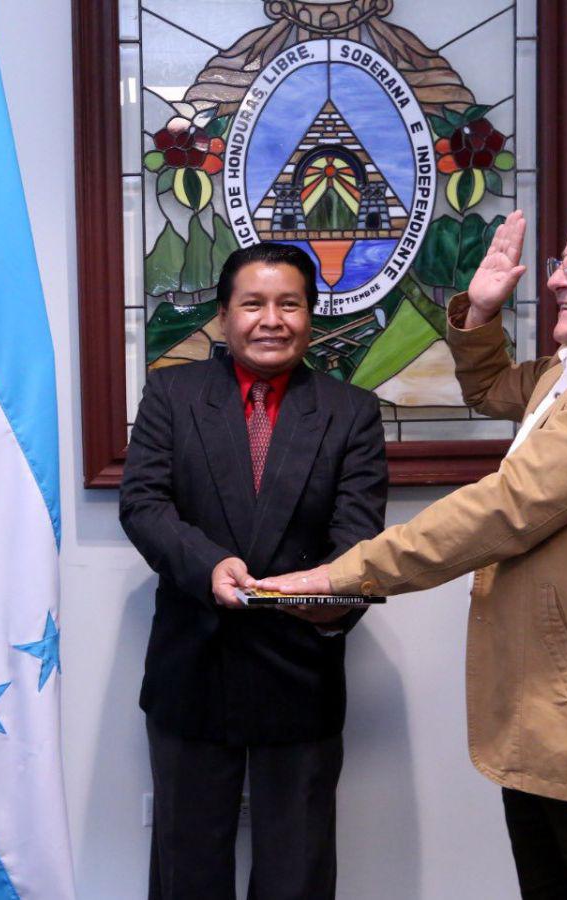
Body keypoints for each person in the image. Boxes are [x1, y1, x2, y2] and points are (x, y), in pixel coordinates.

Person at [259, 191, 567, 898]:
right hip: (558, 722)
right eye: (559, 260)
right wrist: (478, 312)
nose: (558, 278)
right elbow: (496, 389)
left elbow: (510, 505)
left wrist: (345, 574)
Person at [120, 242, 388, 899]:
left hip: (300, 667)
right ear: (224, 314)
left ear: (311, 315)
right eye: (254, 303)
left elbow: (358, 537)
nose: (272, 319)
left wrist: (321, 598)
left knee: (296, 873)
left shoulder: (351, 412)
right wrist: (209, 564)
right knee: (188, 871)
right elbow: (143, 504)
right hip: (194, 662)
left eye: (289, 303)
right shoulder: (172, 393)